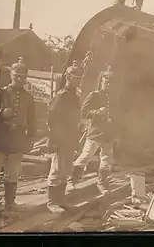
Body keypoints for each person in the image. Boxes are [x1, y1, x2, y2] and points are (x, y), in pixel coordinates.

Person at [0, 57, 35, 212]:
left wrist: (31, 138)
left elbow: (32, 119)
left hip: (17, 140)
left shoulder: (29, 97)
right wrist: (1, 113)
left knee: (12, 174)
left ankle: (10, 202)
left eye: (23, 77)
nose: (20, 79)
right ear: (11, 75)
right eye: (17, 76)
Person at [71, 65, 119, 195]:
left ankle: (102, 183)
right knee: (85, 156)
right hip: (96, 132)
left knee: (106, 160)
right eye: (106, 81)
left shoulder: (115, 98)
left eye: (111, 82)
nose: (108, 84)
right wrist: (97, 112)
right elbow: (83, 113)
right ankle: (73, 181)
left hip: (109, 134)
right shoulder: (94, 95)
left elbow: (118, 116)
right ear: (101, 81)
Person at [45, 61, 83, 213]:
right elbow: (51, 119)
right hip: (60, 137)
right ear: (67, 77)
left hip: (71, 137)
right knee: (56, 170)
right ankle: (52, 201)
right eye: (75, 77)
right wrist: (54, 139)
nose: (78, 80)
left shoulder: (76, 96)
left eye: (80, 78)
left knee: (66, 170)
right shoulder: (61, 96)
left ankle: (61, 199)